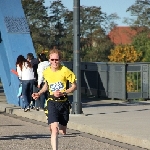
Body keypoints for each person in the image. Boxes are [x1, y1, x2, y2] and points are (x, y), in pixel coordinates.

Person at [32, 48, 77, 150]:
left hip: (64, 103)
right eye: (52, 60)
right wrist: (39, 93)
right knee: (55, 129)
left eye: (56, 60)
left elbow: (75, 86)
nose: (54, 62)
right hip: (52, 102)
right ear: (49, 60)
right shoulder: (46, 72)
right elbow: (47, 85)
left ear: (60, 60)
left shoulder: (65, 71)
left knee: (62, 131)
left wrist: (63, 92)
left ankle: (56, 125)